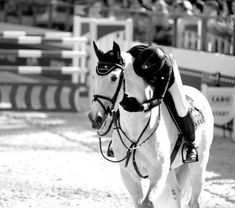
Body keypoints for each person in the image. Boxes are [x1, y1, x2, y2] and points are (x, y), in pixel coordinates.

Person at [128, 44, 198, 163]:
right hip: (145, 75)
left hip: (167, 80)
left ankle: (191, 145)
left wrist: (143, 106)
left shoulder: (167, 68)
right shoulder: (135, 51)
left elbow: (159, 98)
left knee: (181, 108)